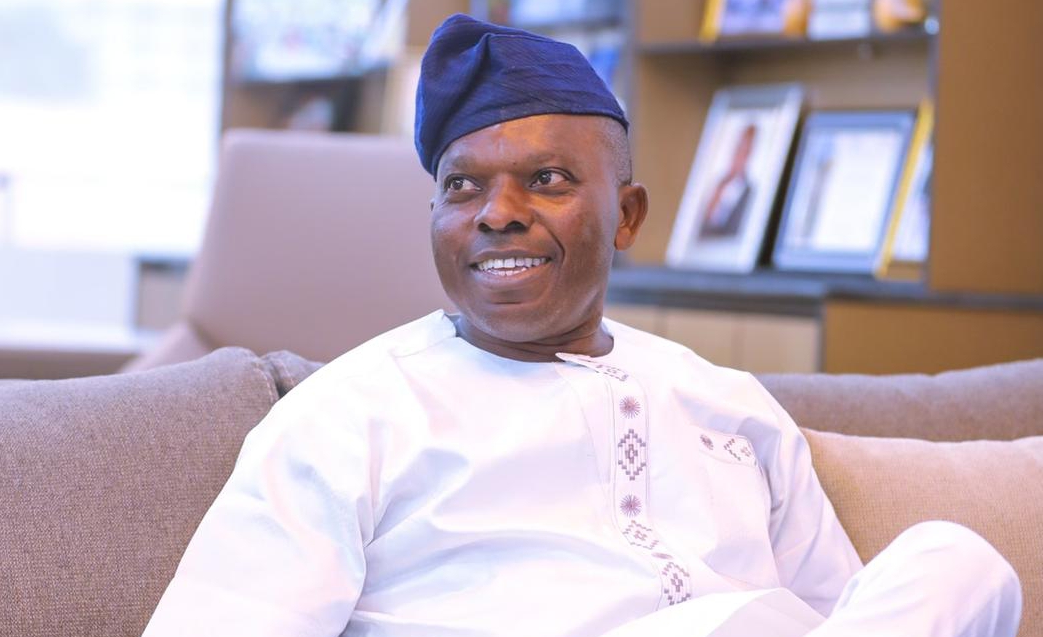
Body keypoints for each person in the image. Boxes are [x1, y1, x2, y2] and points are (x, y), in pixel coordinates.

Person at [141, 14, 1021, 637]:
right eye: (462, 186)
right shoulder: (347, 414)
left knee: (957, 561)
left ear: (626, 215)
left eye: (548, 180)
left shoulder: (725, 400)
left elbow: (846, 613)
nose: (497, 213)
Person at [698, 123, 757, 240]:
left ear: (749, 154)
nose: (738, 155)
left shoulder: (749, 192)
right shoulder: (718, 184)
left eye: (744, 151)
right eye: (738, 148)